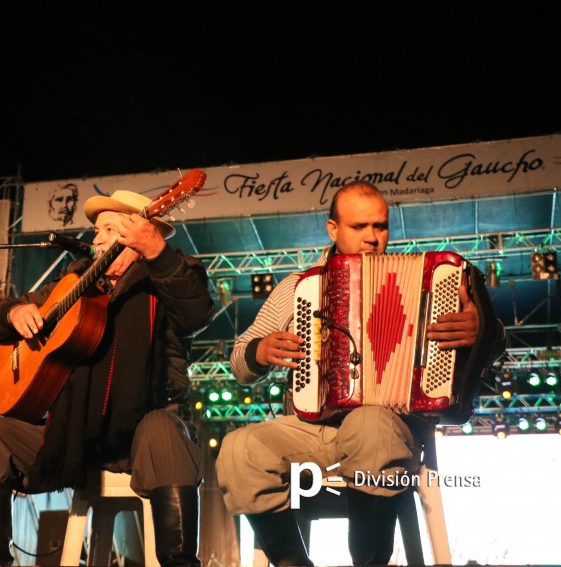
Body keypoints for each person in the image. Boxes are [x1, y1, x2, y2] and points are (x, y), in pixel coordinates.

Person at [216, 181, 506, 566]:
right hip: (313, 432)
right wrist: (260, 350)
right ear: (333, 229)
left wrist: (483, 331)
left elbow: (497, 348)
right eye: (359, 227)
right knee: (239, 449)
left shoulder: (430, 282)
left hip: (391, 427)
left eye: (380, 226)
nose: (372, 238)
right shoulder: (298, 286)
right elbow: (239, 362)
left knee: (368, 426)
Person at [0, 190, 214, 566]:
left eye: (108, 229)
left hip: (141, 437)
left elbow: (196, 314)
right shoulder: (74, 281)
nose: (95, 239)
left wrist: (159, 254)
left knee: (165, 430)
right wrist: (14, 312)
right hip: (71, 438)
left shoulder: (171, 275)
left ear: (136, 234)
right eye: (96, 230)